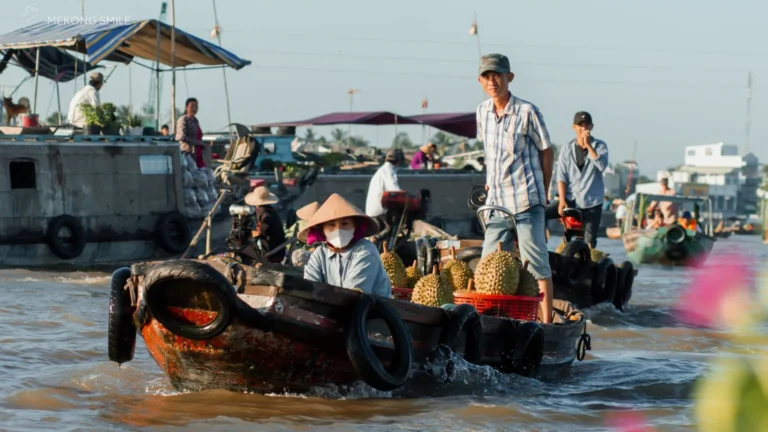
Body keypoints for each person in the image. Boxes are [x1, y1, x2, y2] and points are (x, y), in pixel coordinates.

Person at [476, 53, 555, 324]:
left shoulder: (527, 111)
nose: (492, 80)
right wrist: (489, 180)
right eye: (487, 76)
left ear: (509, 77)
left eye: (497, 74)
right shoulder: (482, 112)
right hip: (497, 203)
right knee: (489, 265)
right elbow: (490, 153)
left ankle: (546, 325)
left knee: (536, 265)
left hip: (526, 200)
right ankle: (494, 322)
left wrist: (543, 191)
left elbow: (547, 150)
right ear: (480, 81)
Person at [301, 193, 392, 297]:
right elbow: (310, 287)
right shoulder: (319, 254)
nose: (338, 230)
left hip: (371, 311)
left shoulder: (365, 251)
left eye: (345, 224)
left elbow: (353, 294)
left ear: (355, 226)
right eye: (331, 225)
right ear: (322, 230)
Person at [544, 111, 609, 248]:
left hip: (591, 202)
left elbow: (602, 166)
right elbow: (561, 177)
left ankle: (587, 260)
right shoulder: (567, 148)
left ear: (591, 127)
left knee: (589, 241)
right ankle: (540, 244)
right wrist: (562, 200)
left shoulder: (600, 146)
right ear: (574, 127)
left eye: (586, 125)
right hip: (570, 199)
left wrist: (589, 145)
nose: (583, 128)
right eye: (580, 125)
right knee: (540, 214)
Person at [244, 186, 286, 263]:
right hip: (276, 249)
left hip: (273, 253)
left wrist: (248, 233)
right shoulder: (269, 210)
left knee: (243, 248)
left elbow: (260, 233)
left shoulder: (266, 216)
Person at [365, 147, 405, 224]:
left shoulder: (382, 169)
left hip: (373, 210)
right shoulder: (389, 170)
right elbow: (395, 190)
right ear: (398, 161)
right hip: (379, 212)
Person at [176, 97, 211, 168]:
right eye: (192, 106)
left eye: (196, 107)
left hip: (197, 154)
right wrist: (197, 143)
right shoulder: (183, 119)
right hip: (187, 154)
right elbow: (181, 136)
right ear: (186, 108)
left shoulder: (195, 121)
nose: (194, 109)